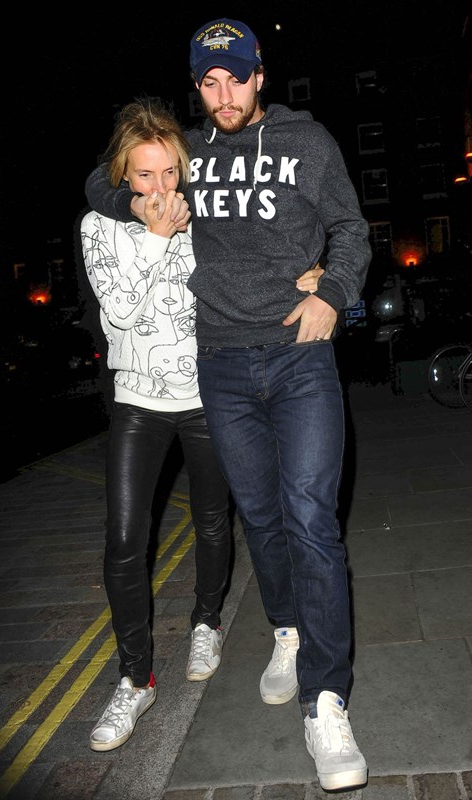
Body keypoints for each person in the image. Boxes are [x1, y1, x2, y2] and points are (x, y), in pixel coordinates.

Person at [85, 18, 372, 791]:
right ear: (197, 86)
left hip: (300, 355)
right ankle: (286, 629)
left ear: (260, 75)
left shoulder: (308, 142)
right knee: (264, 519)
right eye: (209, 82)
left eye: (236, 78)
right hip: (220, 366)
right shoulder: (185, 151)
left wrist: (333, 291)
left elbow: (351, 228)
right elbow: (101, 184)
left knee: (311, 518)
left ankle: (325, 700)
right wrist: (144, 206)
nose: (224, 95)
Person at [79, 99, 234, 753]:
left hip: (206, 395)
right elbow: (116, 312)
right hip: (138, 401)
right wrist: (156, 235)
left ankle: (206, 622)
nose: (161, 187)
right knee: (123, 540)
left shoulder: (207, 214)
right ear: (123, 175)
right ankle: (134, 679)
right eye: (145, 175)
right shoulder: (98, 225)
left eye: (171, 172)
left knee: (213, 520)